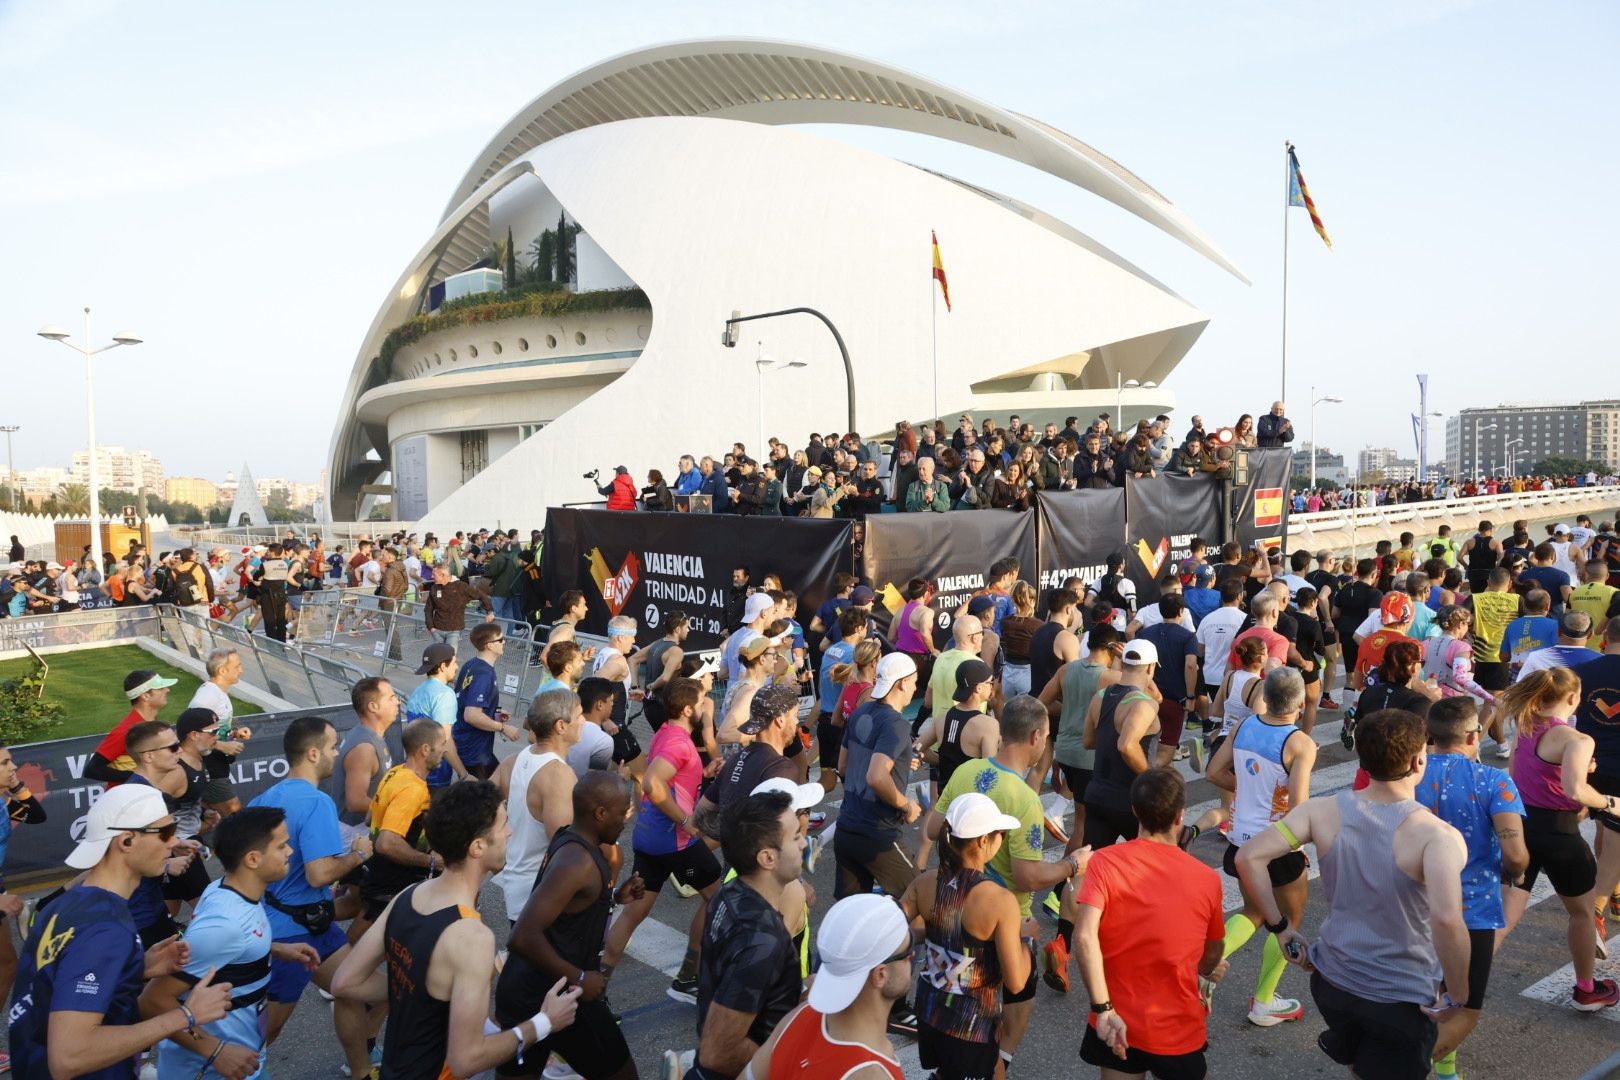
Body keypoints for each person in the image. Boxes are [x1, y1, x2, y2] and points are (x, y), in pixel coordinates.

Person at [1236, 709, 1473, 1080]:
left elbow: (1248, 857)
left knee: (1361, 1065)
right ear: (1417, 761)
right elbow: (1446, 920)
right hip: (1400, 997)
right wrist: (1458, 995)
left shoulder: (1320, 811)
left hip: (1332, 981)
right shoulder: (1437, 836)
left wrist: (1280, 927)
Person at [333, 781, 583, 1080]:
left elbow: (344, 983)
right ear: (477, 846)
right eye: (504, 824)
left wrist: (415, 991)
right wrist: (545, 1022)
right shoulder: (472, 938)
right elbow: (466, 1059)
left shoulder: (409, 895)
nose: (510, 832)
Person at [7, 785, 233, 1080]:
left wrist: (134, 969)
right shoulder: (105, 928)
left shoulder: (68, 902)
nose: (174, 842)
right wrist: (186, 1015)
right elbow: (69, 1057)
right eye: (165, 833)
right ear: (126, 841)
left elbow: (55, 982)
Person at [927, 696, 1082, 1068]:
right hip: (1004, 922)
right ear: (1035, 737)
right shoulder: (1025, 800)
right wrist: (1072, 865)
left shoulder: (968, 771)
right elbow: (1028, 877)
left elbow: (933, 828)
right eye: (1044, 737)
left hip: (953, 909)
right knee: (1012, 1012)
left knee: (961, 1009)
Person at [145, 806, 321, 1080]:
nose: (290, 852)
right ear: (252, 859)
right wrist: (217, 1051)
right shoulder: (224, 925)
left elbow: (226, 951)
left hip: (246, 1063)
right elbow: (153, 1001)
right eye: (282, 846)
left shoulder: (226, 889)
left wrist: (274, 949)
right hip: (209, 1069)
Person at [1073, 768, 1226, 1080]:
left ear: (1134, 811)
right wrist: (1206, 970)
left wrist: (1102, 1009)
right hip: (1176, 1028)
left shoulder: (1103, 862)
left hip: (1117, 1019)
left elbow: (1085, 938)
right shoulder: (1208, 879)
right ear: (1180, 816)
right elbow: (1212, 951)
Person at [250, 715, 378, 1080]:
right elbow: (319, 874)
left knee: (351, 991)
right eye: (333, 747)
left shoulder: (265, 796)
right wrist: (360, 854)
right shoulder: (317, 801)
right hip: (290, 933)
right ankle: (224, 1070)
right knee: (267, 1029)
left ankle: (361, 1071)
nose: (337, 755)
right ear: (311, 753)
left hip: (307, 923)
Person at [496, 772, 644, 1080]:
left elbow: (571, 906)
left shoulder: (572, 840)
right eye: (621, 813)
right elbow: (521, 937)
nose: (625, 822)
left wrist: (615, 896)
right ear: (600, 813)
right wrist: (579, 977)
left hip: (546, 990)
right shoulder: (577, 861)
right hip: (549, 993)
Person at [1412, 698, 1530, 1077]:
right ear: (1474, 736)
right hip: (1471, 912)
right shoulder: (1493, 780)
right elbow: (1515, 854)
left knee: (1427, 999)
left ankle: (1446, 1073)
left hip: (1412, 906)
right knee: (1463, 1010)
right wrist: (1518, 874)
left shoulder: (1408, 773)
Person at [602, 668, 726, 1004]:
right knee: (720, 899)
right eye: (702, 702)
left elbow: (662, 778)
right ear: (688, 710)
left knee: (634, 913)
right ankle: (691, 977)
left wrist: (705, 770)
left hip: (650, 838)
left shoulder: (666, 735)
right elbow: (655, 785)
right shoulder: (679, 743)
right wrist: (685, 820)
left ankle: (595, 987)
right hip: (675, 842)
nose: (705, 706)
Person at [1206, 668, 1317, 1028]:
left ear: (1265, 696)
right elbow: (1299, 808)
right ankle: (1264, 1002)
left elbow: (1214, 772)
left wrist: (1246, 792)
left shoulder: (1244, 725)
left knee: (1255, 913)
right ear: (1300, 703)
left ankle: (1202, 970)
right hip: (1276, 845)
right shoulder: (1300, 743)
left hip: (1240, 840)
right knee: (1289, 921)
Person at [1502, 667, 1620, 1003]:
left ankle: (1458, 981)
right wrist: (1611, 803)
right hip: (1561, 836)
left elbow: (1517, 775)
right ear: (1572, 698)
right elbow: (1575, 790)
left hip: (1521, 829)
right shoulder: (1578, 739)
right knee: (1582, 914)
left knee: (1505, 918)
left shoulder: (1524, 726)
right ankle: (1586, 990)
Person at [897, 794, 1030, 1080]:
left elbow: (890, 929)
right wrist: (1026, 941)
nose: (1001, 840)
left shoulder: (925, 882)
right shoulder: (999, 901)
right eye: (1001, 835)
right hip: (971, 1026)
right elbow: (1017, 982)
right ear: (983, 841)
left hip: (930, 1013)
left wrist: (930, 937)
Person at [679, 789, 806, 1080]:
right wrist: (787, 1062)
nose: (803, 843)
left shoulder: (729, 893)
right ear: (767, 858)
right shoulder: (763, 939)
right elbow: (718, 1053)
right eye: (795, 837)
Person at [745, 894, 910, 1080]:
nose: (911, 959)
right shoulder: (872, 1074)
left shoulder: (799, 1017)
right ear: (880, 975)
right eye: (907, 954)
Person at [834, 654, 923, 899]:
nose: (916, 686)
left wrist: (899, 764)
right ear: (902, 683)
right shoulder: (897, 724)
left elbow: (843, 766)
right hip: (877, 832)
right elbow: (875, 776)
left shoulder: (861, 712)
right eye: (914, 680)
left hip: (846, 827)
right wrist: (906, 806)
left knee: (851, 910)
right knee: (920, 899)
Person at [355, 718, 446, 933]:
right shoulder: (413, 789)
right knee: (365, 945)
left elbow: (370, 817)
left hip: (378, 874)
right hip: (392, 882)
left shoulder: (395, 772)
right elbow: (387, 843)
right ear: (425, 749)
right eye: (442, 744)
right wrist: (431, 861)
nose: (445, 749)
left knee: (364, 942)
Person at [1081, 640, 1162, 849]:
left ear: (1123, 663)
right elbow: (1126, 745)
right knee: (1148, 866)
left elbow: (1088, 741)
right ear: (1151, 667)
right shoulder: (1145, 703)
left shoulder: (1100, 696)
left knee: (1090, 865)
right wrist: (1151, 777)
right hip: (1134, 801)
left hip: (1098, 794)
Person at [330, 676, 399, 847]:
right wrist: (397, 809)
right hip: (354, 833)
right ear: (373, 707)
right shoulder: (364, 748)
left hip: (363, 827)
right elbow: (355, 802)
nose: (397, 702)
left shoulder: (370, 735)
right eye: (391, 697)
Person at [1136, 594, 1200, 768]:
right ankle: (1146, 780)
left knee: (1148, 746)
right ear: (1181, 612)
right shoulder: (1187, 637)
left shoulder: (1144, 633)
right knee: (1165, 752)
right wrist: (1190, 696)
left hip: (1145, 698)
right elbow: (1190, 665)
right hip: (1173, 701)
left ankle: (1165, 787)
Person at [915, 659, 998, 791]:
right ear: (979, 688)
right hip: (970, 801)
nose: (992, 687)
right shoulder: (987, 725)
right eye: (990, 683)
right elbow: (990, 773)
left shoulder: (942, 719)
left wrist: (942, 760)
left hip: (944, 799)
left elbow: (917, 747)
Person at [453, 622, 522, 780]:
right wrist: (503, 728)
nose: (504, 642)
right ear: (489, 646)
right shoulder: (484, 674)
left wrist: (495, 712)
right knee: (491, 795)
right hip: (475, 751)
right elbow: (471, 715)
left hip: (473, 746)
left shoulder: (472, 664)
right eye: (500, 639)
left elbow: (468, 701)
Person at [85, 669, 179, 784]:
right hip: (127, 797)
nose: (167, 690)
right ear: (145, 696)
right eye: (160, 688)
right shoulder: (126, 731)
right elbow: (92, 769)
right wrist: (137, 778)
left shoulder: (151, 723)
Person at [407, 643, 470, 786]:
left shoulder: (418, 690)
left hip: (414, 771)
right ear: (442, 666)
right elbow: (445, 741)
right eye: (454, 662)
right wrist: (463, 774)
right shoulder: (445, 694)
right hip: (435, 776)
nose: (457, 667)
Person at [423, 562, 495, 651]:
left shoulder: (461, 587)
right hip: (437, 630)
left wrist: (490, 612)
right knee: (438, 658)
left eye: (434, 574)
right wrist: (431, 627)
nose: (432, 577)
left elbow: (481, 596)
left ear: (443, 575)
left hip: (454, 630)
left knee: (450, 657)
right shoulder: (434, 587)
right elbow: (428, 609)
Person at [1516, 611, 1599, 681]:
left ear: (1558, 632)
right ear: (1590, 635)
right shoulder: (1600, 660)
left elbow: (1520, 690)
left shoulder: (1535, 657)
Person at [1571, 558, 1620, 647]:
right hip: (1604, 649)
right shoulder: (1615, 593)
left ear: (1586, 575)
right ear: (1608, 575)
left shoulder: (1573, 593)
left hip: (1578, 647)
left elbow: (1568, 620)